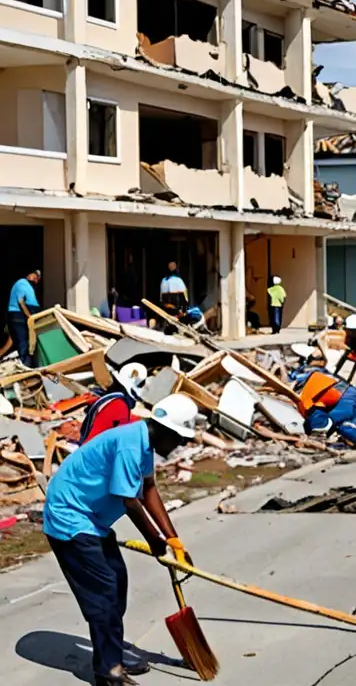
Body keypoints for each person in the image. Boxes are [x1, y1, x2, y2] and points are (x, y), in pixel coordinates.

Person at [43, 395, 199, 686]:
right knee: (103, 591)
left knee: (117, 582)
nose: (181, 446)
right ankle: (108, 670)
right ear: (166, 431)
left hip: (93, 520)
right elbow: (129, 501)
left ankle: (111, 650)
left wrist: (173, 539)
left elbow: (148, 489)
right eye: (180, 440)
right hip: (70, 517)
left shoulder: (143, 442)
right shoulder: (130, 444)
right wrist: (155, 543)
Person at [297, 368, 356, 444]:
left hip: (342, 394)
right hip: (346, 391)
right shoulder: (313, 378)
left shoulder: (306, 397)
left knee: (335, 423)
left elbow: (316, 413)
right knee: (347, 425)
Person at [8, 269, 41, 366]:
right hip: (18, 316)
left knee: (18, 343)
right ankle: (25, 368)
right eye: (34, 276)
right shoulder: (22, 283)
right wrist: (30, 317)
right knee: (24, 345)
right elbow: (21, 302)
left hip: (22, 316)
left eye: (37, 279)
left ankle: (27, 365)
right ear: (29, 274)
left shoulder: (29, 286)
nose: (35, 280)